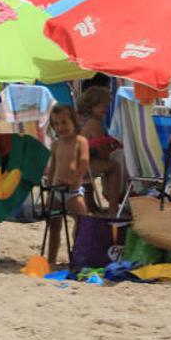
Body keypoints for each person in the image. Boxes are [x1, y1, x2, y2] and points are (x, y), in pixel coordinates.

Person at [43, 104, 90, 265]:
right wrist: (48, 188)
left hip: (73, 191)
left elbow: (84, 163)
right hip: (56, 191)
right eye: (56, 124)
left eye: (64, 122)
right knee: (54, 227)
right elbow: (53, 167)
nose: (60, 127)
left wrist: (75, 179)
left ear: (74, 121)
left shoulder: (80, 141)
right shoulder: (56, 144)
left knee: (82, 222)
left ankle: (77, 255)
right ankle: (51, 260)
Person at [78, 86, 125, 215]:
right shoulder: (95, 123)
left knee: (93, 163)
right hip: (80, 166)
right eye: (103, 106)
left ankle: (90, 204)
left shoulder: (80, 118)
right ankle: (113, 208)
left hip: (70, 161)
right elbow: (104, 154)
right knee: (113, 167)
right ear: (92, 105)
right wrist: (115, 147)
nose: (106, 109)